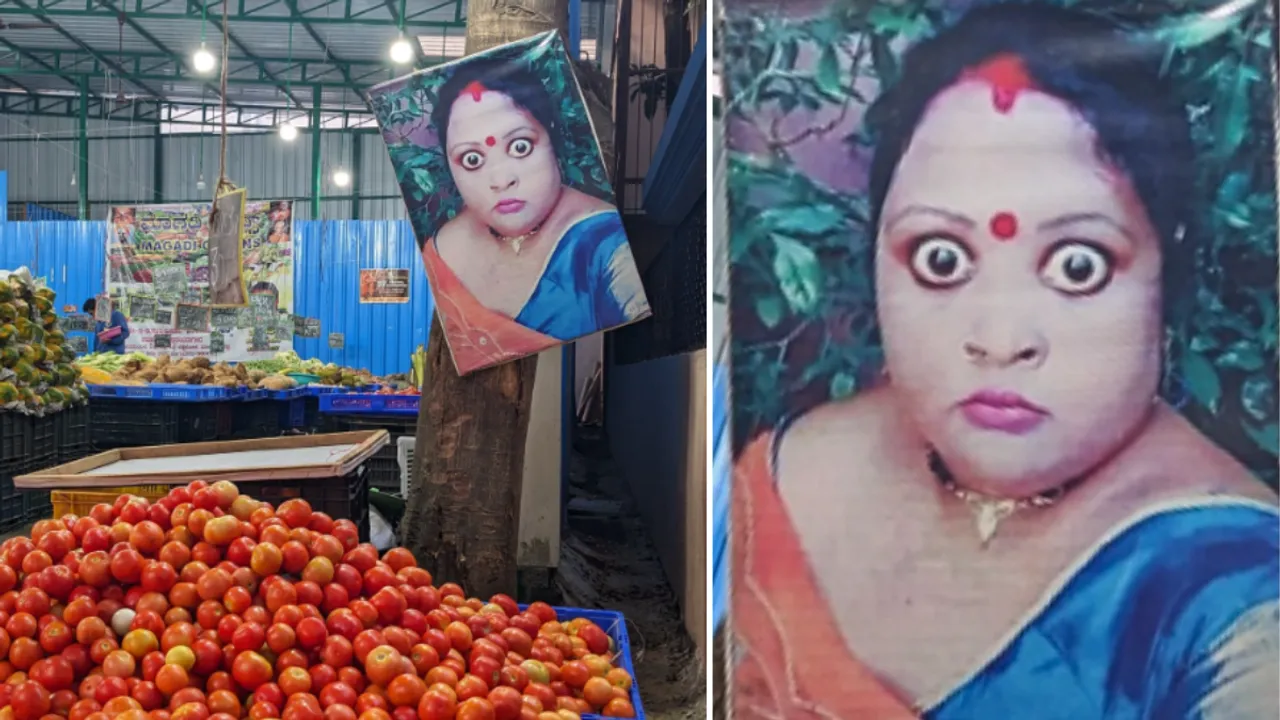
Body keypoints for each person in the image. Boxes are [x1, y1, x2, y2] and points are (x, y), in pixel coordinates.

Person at [731, 4, 1279, 718]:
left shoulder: (1231, 604)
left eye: (1079, 266)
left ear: (1166, 263)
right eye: (940, 258)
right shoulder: (782, 472)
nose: (998, 337)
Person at [420, 55, 650, 374]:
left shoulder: (602, 245)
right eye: (472, 159)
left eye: (520, 147)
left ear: (553, 137)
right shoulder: (443, 248)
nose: (501, 180)